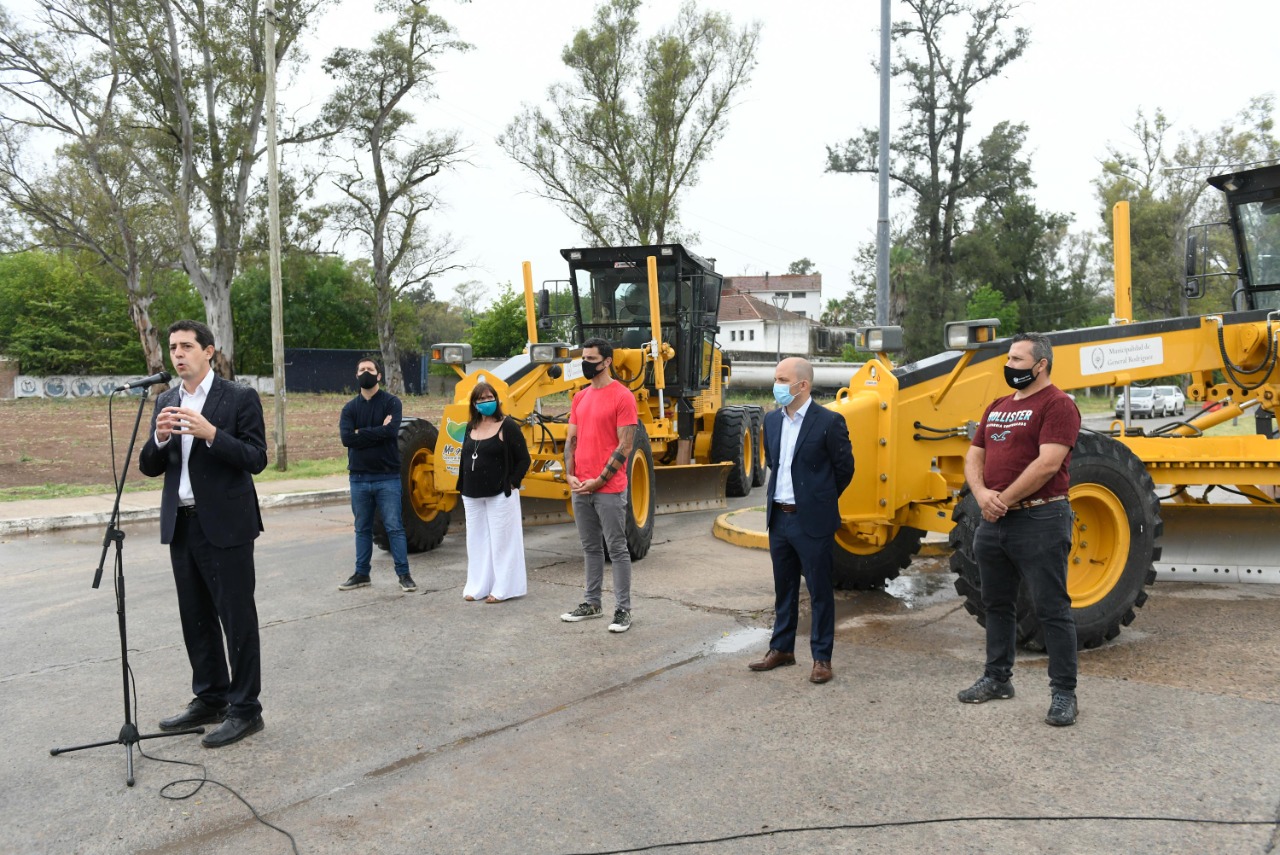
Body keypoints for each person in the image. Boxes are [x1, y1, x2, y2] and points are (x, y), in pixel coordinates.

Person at [139, 319, 268, 748]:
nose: (177, 354)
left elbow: (256, 457)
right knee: (196, 618)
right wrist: (158, 440)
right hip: (182, 525)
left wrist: (212, 434)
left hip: (227, 526)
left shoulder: (238, 397)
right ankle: (210, 696)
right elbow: (149, 465)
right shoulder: (167, 399)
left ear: (208, 352)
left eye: (187, 347)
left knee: (236, 618)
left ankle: (246, 709)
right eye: (173, 347)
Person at [957, 332, 1082, 727]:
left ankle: (1064, 693)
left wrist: (1003, 498)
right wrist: (981, 495)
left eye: (1015, 359)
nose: (1008, 366)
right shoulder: (997, 406)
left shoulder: (1059, 405)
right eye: (1009, 359)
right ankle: (997, 679)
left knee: (1051, 609)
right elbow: (974, 456)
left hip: (1041, 519)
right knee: (997, 605)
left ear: (1039, 365)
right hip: (994, 522)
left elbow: (1048, 464)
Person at [749, 357, 854, 684]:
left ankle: (821, 658)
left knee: (820, 591)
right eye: (776, 378)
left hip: (813, 521)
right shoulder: (772, 421)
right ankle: (781, 648)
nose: (776, 385)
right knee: (784, 588)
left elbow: (844, 470)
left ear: (802, 385)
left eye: (782, 379)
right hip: (779, 519)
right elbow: (775, 465)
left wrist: (819, 501)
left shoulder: (829, 422)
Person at [559, 338, 639, 633]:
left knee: (617, 549)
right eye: (584, 358)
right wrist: (570, 475)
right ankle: (592, 603)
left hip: (608, 488)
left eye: (591, 359)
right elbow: (571, 440)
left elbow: (626, 445)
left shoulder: (623, 397)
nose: (585, 363)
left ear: (607, 362)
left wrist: (599, 480)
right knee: (590, 548)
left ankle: (623, 610)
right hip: (581, 487)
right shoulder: (580, 398)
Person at [337, 357, 415, 593]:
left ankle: (404, 575)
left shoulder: (392, 403)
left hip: (387, 477)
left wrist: (362, 432)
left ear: (379, 375)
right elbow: (347, 439)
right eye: (361, 369)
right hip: (359, 478)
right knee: (362, 528)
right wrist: (377, 431)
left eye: (370, 369)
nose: (365, 372)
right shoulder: (350, 408)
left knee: (394, 527)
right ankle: (362, 574)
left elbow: (392, 432)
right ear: (356, 375)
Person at [457, 381, 531, 602]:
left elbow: (523, 459)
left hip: (500, 494)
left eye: (490, 398)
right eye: (481, 399)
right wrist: (462, 485)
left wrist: (513, 483)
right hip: (471, 494)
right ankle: (478, 586)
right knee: (476, 540)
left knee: (503, 541)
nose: (486, 402)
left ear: (496, 400)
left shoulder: (507, 426)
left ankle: (504, 588)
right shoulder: (471, 426)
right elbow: (464, 457)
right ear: (474, 403)